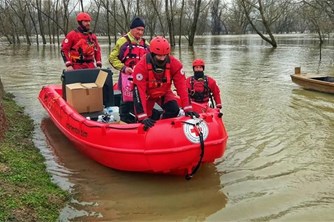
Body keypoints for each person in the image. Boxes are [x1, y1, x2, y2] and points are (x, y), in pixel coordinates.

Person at [132, 36, 199, 130]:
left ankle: (163, 127)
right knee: (144, 118)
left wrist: (188, 108)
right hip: (147, 95)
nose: (163, 58)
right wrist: (142, 116)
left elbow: (182, 86)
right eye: (159, 56)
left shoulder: (175, 64)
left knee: (173, 108)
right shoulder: (141, 67)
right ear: (152, 53)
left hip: (163, 92)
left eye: (165, 55)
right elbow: (139, 92)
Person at [109, 17, 149, 123]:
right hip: (127, 77)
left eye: (142, 30)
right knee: (126, 101)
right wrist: (124, 68)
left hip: (141, 78)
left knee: (142, 99)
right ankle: (124, 121)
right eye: (138, 29)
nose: (140, 32)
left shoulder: (145, 44)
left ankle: (140, 119)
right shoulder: (123, 41)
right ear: (132, 29)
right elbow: (112, 58)